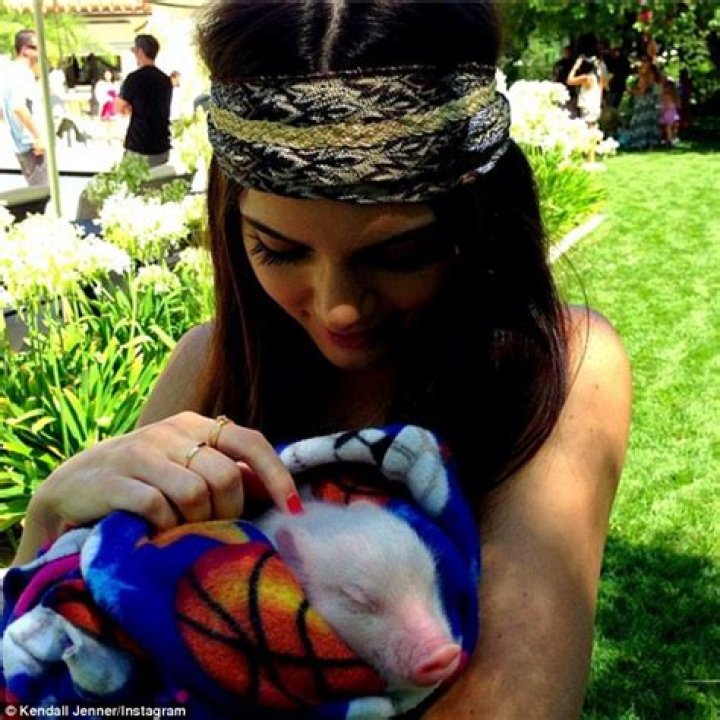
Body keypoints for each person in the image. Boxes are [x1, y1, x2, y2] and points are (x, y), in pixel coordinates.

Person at [12, 2, 631, 717]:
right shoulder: (206, 365)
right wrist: (48, 520)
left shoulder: (562, 366)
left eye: (400, 254)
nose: (338, 308)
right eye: (278, 250)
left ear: (480, 218)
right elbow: (45, 650)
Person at [115, 34, 172, 167]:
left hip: (139, 145)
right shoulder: (165, 80)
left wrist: (130, 108)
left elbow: (119, 108)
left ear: (140, 51)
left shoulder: (134, 79)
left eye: (135, 50)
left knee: (132, 180)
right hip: (162, 145)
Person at [1, 29, 48, 186]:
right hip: (31, 146)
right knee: (42, 192)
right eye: (37, 47)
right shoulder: (22, 73)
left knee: (38, 191)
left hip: (22, 144)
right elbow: (18, 107)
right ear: (25, 49)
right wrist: (37, 136)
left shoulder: (9, 72)